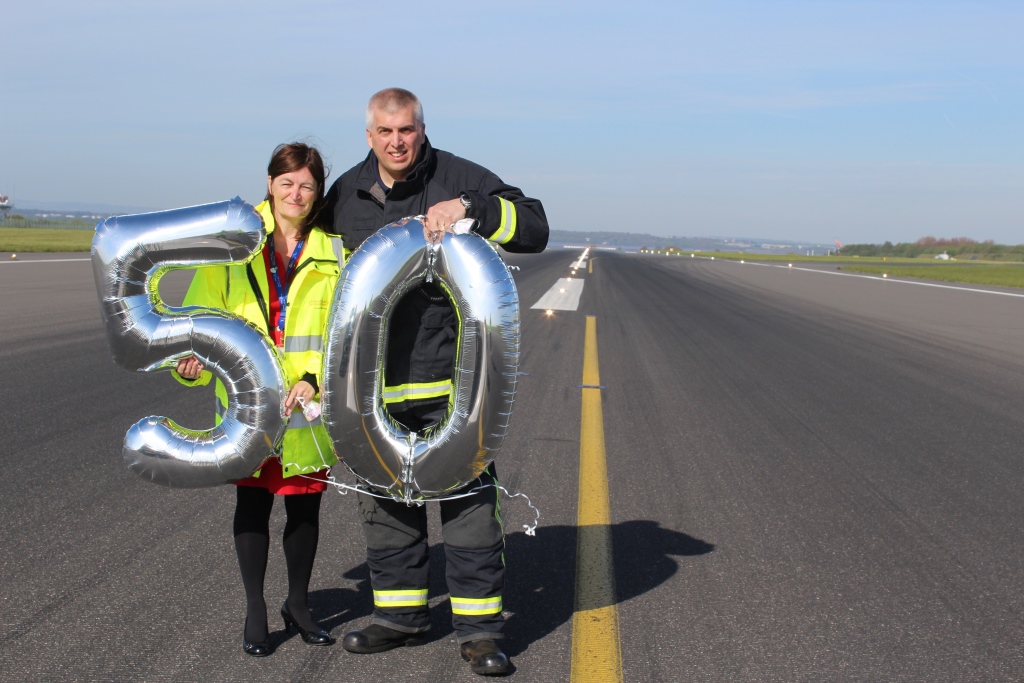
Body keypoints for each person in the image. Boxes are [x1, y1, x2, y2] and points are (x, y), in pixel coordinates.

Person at [322, 88, 548, 676]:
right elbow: (304, 254)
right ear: (369, 135)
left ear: (422, 129)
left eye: (408, 130)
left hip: (452, 382)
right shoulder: (345, 193)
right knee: (387, 506)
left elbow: (535, 226)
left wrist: (471, 207)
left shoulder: (460, 176)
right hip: (375, 388)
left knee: (469, 512)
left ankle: (480, 633)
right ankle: (400, 618)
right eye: (386, 132)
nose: (398, 142)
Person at [174, 143, 345, 657]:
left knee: (304, 505)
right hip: (248, 402)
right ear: (270, 183)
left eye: (307, 184)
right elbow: (196, 318)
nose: (296, 193)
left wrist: (316, 379)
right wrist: (192, 363)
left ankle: (298, 601)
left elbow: (343, 331)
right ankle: (255, 607)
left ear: (317, 193)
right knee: (252, 500)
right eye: (287, 182)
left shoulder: (335, 252)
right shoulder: (234, 243)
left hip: (306, 402)